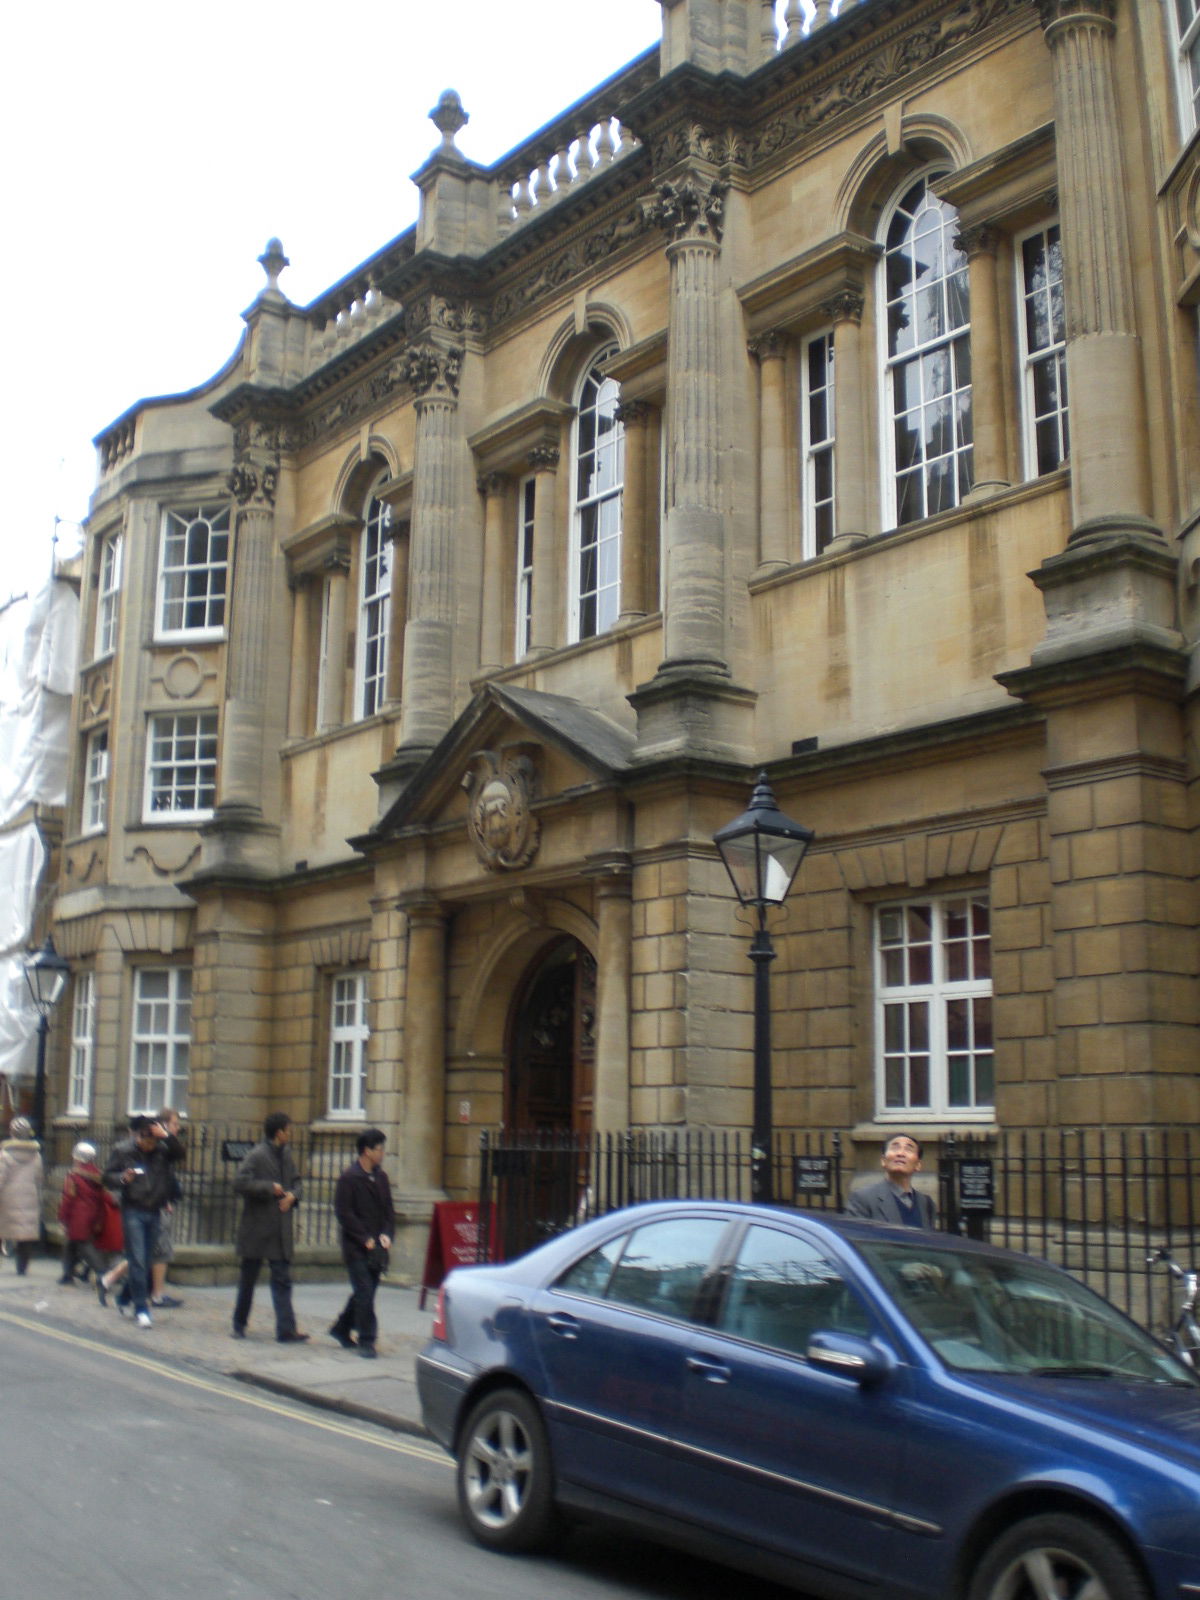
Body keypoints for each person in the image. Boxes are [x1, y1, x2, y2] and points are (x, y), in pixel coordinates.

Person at [232, 1112, 308, 1343]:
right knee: (248, 1280)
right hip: (257, 1228)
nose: (290, 1133)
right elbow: (239, 1183)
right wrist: (268, 1188)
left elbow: (297, 1183)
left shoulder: (286, 1155)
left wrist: (293, 1196)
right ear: (279, 1132)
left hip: (279, 1231)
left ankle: (286, 1330)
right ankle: (239, 1323)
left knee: (283, 1280)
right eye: (287, 1129)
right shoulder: (256, 1155)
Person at [103, 1115, 184, 1326]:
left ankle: (123, 1297)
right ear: (137, 1137)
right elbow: (107, 1177)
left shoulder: (163, 1151)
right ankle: (142, 1309)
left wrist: (166, 1135)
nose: (148, 1145)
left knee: (145, 1262)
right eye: (144, 1140)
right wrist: (123, 1178)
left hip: (155, 1210)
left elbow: (180, 1154)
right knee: (137, 1259)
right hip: (133, 1210)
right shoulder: (123, 1150)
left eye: (152, 1141)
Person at [331, 1129, 394, 1358]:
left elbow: (388, 1210)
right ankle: (367, 1340)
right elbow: (344, 1212)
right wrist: (363, 1237)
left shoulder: (381, 1177)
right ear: (367, 1151)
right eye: (379, 1148)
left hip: (377, 1247)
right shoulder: (349, 1178)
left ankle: (341, 1328)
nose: (383, 1153)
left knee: (364, 1293)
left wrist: (387, 1234)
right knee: (365, 1292)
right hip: (356, 1247)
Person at [845, 1133, 938, 1228]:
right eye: (895, 1148)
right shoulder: (863, 1199)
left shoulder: (926, 1204)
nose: (901, 1153)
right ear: (883, 1160)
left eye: (909, 1149)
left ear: (918, 1165)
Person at [57, 1141, 107, 1285]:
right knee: (70, 1245)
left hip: (78, 1215)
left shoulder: (74, 1175)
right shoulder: (97, 1173)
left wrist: (62, 1217)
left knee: (83, 1245)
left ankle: (103, 1273)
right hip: (95, 1213)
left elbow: (68, 1197)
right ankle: (67, 1274)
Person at [0, 1116, 44, 1274]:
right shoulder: (36, 1156)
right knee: (25, 1236)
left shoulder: (4, 1155)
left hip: (7, 1199)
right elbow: (39, 1179)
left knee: (2, 1229)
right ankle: (22, 1267)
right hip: (29, 1198)